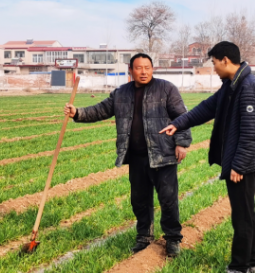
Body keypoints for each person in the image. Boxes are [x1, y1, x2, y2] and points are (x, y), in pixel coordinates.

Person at [160, 41, 255, 273]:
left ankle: (239, 269)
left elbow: (251, 134)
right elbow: (207, 108)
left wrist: (238, 166)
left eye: (214, 62)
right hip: (243, 162)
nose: (214, 67)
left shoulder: (248, 87)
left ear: (225, 60)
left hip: (245, 165)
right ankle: (252, 264)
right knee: (247, 214)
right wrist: (179, 123)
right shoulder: (232, 84)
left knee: (242, 217)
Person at [64, 53, 191, 257]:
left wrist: (182, 143)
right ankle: (144, 237)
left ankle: (172, 239)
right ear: (130, 70)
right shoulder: (121, 93)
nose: (143, 72)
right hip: (137, 156)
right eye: (139, 68)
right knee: (139, 200)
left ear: (152, 69)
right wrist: (77, 113)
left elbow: (182, 117)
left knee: (168, 200)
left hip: (163, 155)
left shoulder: (166, 89)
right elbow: (101, 110)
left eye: (147, 67)